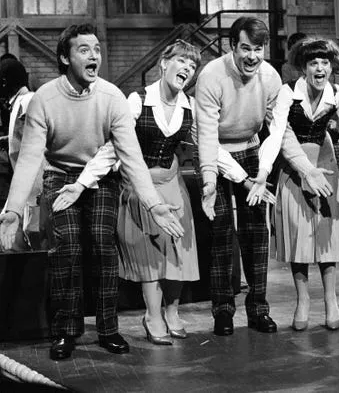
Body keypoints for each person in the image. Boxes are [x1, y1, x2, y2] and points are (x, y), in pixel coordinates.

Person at [0, 23, 184, 361]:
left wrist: (155, 204)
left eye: (97, 49)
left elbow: (130, 157)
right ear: (64, 57)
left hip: (99, 178)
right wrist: (13, 210)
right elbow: (28, 159)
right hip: (58, 174)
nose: (94, 55)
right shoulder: (44, 99)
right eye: (84, 49)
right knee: (66, 249)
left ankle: (107, 328)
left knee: (102, 245)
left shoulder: (112, 97)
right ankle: (64, 331)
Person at [55, 40, 204, 345]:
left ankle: (172, 312)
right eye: (182, 61)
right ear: (164, 64)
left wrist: (237, 177)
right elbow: (112, 148)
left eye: (193, 66)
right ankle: (152, 315)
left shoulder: (189, 106)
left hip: (173, 185)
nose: (188, 69)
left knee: (178, 252)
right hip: (138, 189)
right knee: (150, 254)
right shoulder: (137, 101)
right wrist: (82, 182)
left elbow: (209, 145)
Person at [196, 16, 283, 336]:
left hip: (250, 147)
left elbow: (276, 132)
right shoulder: (211, 76)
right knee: (220, 232)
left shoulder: (271, 78)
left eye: (258, 49)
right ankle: (222, 310)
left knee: (256, 232)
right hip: (213, 149)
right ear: (232, 47)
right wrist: (208, 180)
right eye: (245, 48)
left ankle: (259, 309)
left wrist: (262, 174)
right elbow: (205, 136)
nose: (251, 56)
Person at [266, 38, 339, 331]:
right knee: (298, 235)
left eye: (325, 63)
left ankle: (330, 299)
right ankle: (303, 300)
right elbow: (281, 136)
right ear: (302, 67)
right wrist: (303, 169)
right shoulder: (286, 94)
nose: (320, 68)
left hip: (325, 167)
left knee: (326, 234)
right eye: (314, 63)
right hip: (294, 169)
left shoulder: (338, 93)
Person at [0, 59, 45, 250]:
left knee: (36, 243)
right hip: (26, 189)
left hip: (35, 190)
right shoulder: (18, 103)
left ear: (4, 82)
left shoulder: (28, 100)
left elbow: (39, 143)